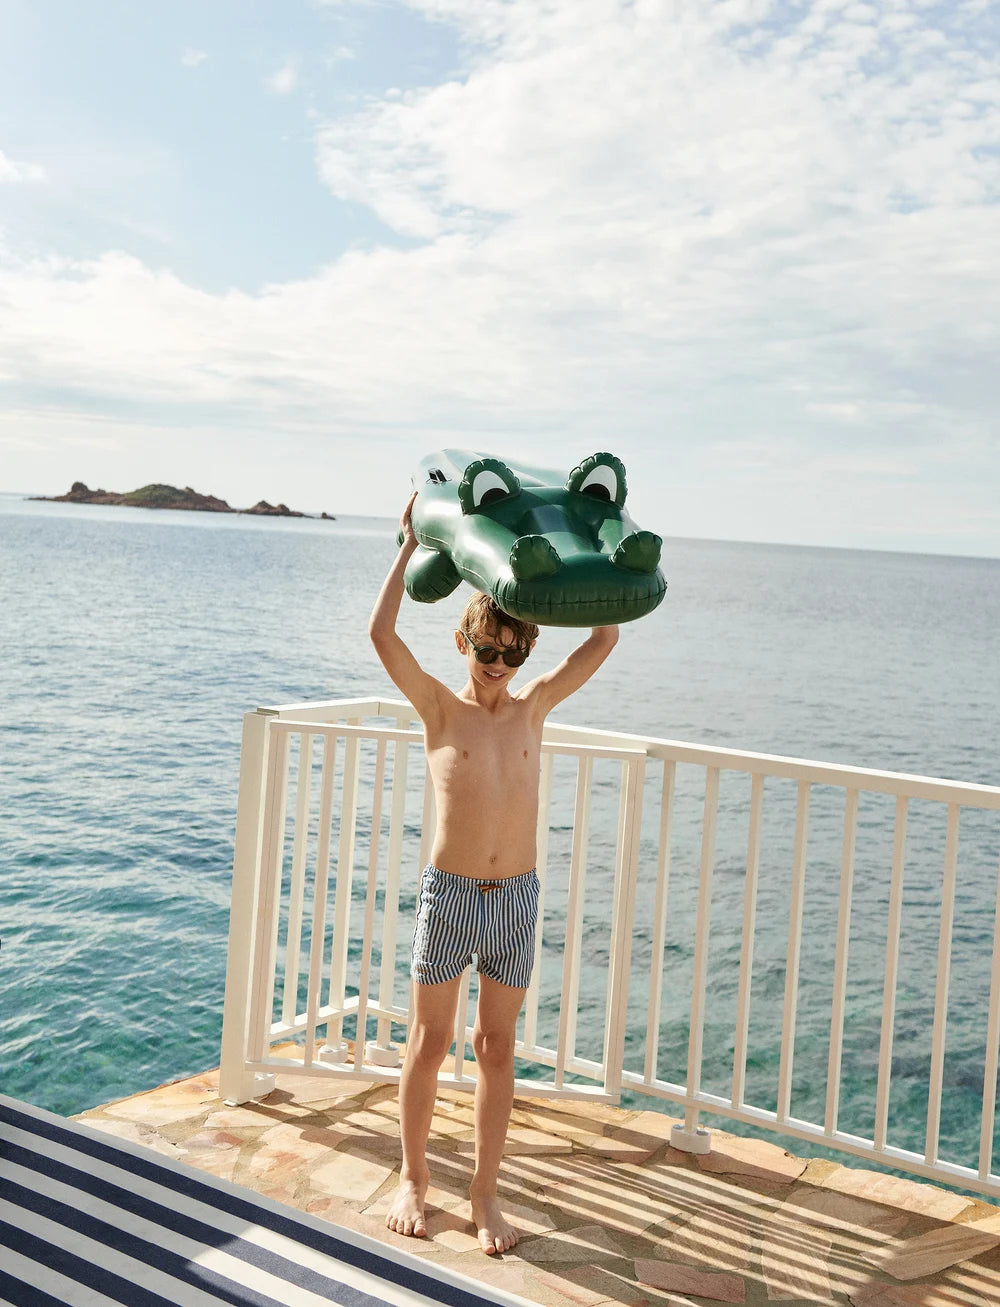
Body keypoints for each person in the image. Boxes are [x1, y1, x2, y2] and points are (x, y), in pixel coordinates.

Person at [368, 490, 619, 1254]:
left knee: (496, 1046)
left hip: (515, 898)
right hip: (449, 897)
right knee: (429, 1040)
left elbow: (604, 635)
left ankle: (484, 1191)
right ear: (464, 641)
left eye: (513, 654)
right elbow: (381, 635)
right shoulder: (439, 710)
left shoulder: (533, 708)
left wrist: (585, 550)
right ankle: (414, 1177)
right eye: (488, 651)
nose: (499, 666)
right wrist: (408, 545)